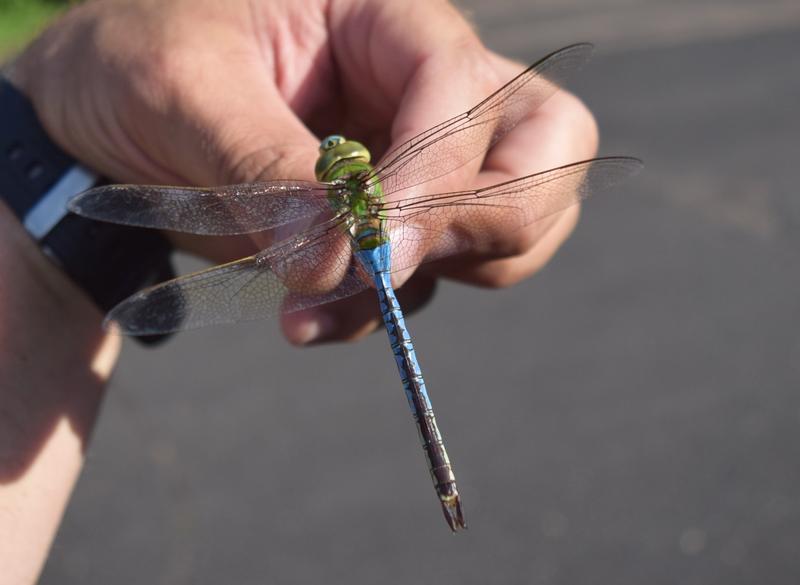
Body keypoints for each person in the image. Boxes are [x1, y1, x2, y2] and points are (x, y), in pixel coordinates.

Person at [0, 0, 597, 581]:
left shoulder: (323, 204)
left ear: (341, 175)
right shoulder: (380, 192)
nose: (337, 150)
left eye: (343, 153)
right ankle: (449, 485)